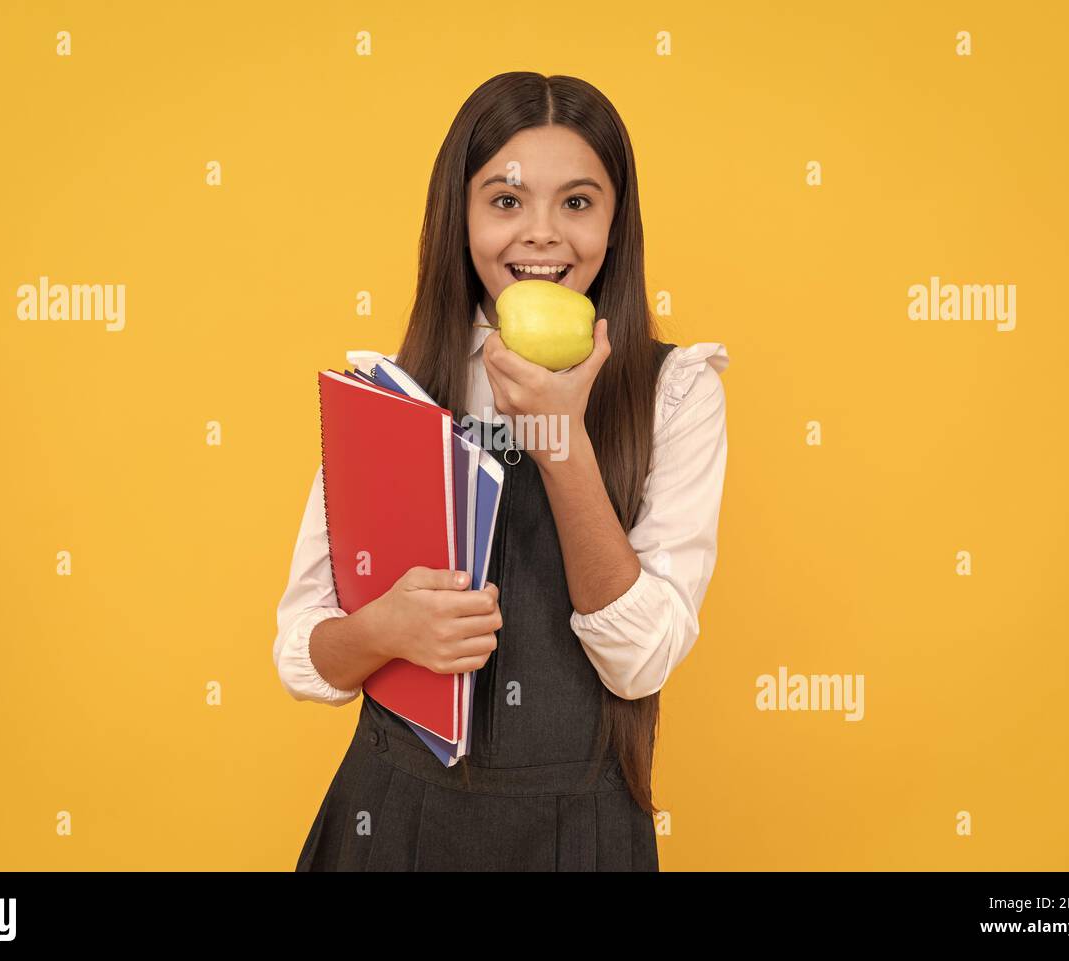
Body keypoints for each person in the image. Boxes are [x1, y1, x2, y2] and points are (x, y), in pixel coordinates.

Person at [274, 72, 729, 871]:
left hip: (578, 836)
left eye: (578, 203)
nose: (543, 234)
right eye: (507, 201)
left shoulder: (677, 393)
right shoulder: (394, 393)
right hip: (392, 822)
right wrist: (386, 628)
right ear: (463, 217)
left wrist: (560, 440)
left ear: (617, 222)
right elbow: (304, 654)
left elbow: (641, 659)